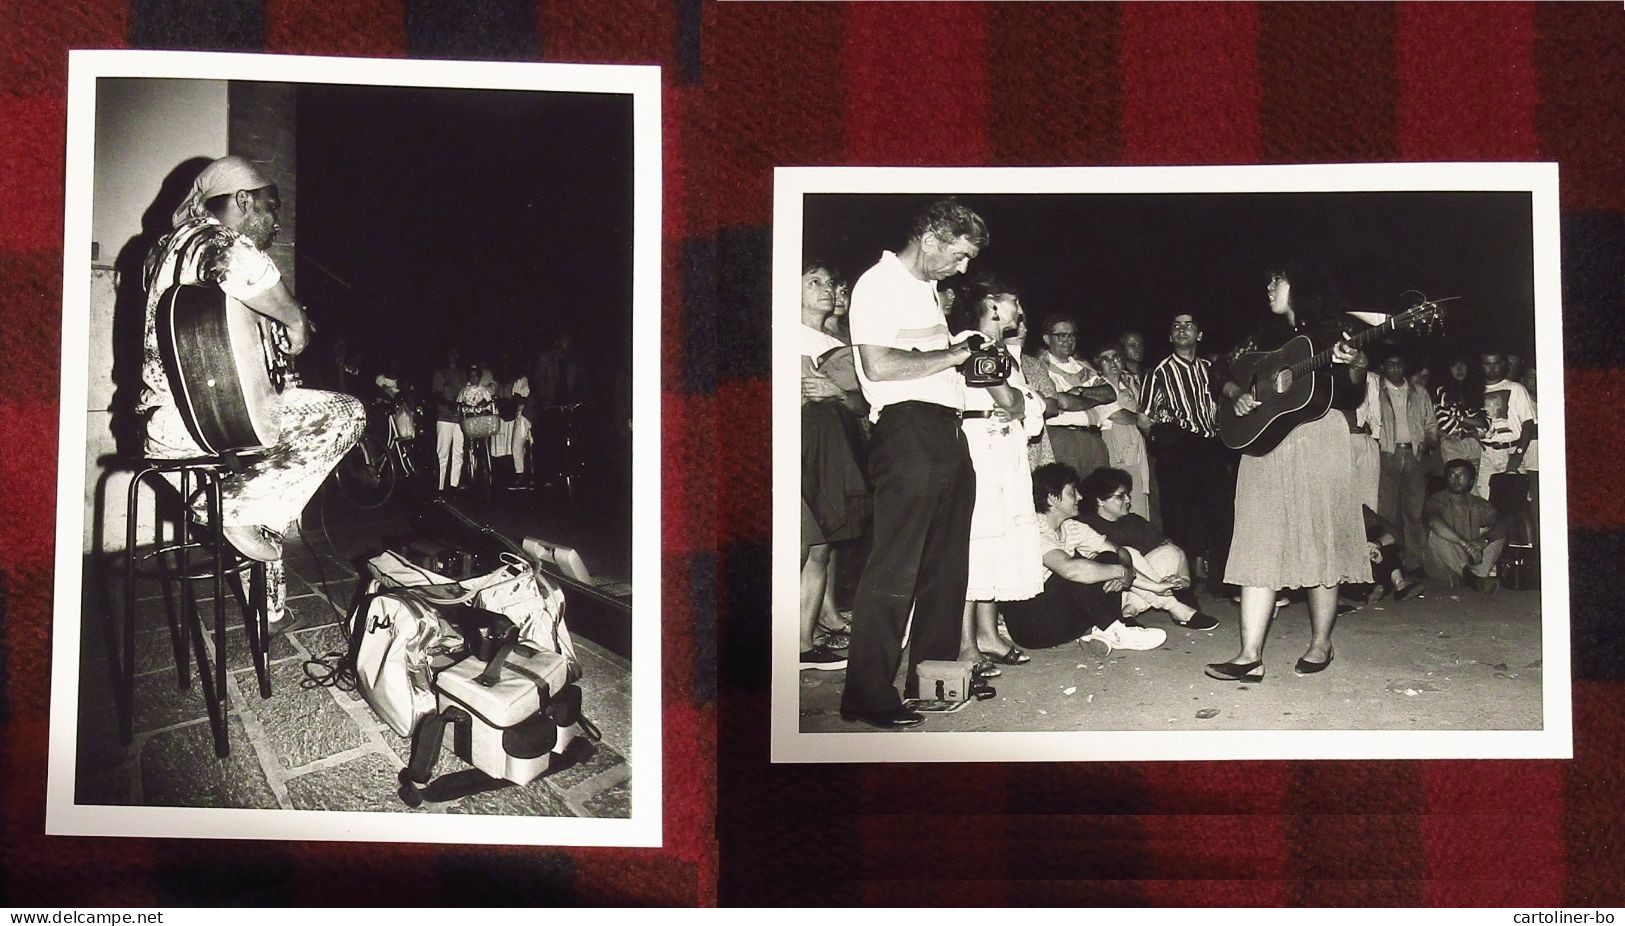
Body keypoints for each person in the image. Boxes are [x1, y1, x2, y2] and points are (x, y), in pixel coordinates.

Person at [139, 155, 364, 624]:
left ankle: (266, 604)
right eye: (271, 207)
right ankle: (229, 509)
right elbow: (247, 268)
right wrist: (295, 318)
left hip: (181, 419)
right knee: (345, 413)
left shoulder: (164, 249)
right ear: (243, 200)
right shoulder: (207, 239)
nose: (277, 220)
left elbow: (213, 340)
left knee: (269, 473)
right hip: (196, 426)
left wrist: (271, 354)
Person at [840, 199, 987, 729]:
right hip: (907, 431)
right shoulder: (879, 283)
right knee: (896, 565)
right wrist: (952, 356)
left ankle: (930, 677)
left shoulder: (924, 289)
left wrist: (958, 350)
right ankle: (866, 694)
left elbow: (924, 359)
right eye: (961, 255)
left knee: (946, 566)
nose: (963, 268)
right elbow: (878, 366)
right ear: (930, 238)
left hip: (946, 429)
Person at [1207, 269, 1371, 683]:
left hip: (1319, 441)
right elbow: (1220, 371)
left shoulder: (1338, 332)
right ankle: (1249, 655)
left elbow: (1352, 394)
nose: (1268, 288)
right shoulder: (1261, 333)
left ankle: (1321, 643)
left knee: (1319, 538)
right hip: (1265, 442)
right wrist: (1237, 395)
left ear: (1301, 285)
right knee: (1257, 538)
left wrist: (1358, 364)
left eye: (1276, 281)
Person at [945, 275, 1046, 678]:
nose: (1020, 311)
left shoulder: (999, 350)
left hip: (1003, 447)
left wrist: (1027, 403)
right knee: (976, 541)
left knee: (998, 541)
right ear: (991, 304)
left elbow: (1030, 406)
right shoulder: (973, 343)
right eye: (1013, 301)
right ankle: (965, 645)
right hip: (981, 447)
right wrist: (1027, 402)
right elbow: (1011, 399)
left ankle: (988, 633)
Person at [1001, 464, 1166, 655]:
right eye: (1073, 492)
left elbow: (1119, 550)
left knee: (1108, 558)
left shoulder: (1072, 527)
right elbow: (1070, 570)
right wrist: (1121, 572)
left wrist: (1126, 567)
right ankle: (1115, 631)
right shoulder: (1031, 529)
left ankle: (1100, 631)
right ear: (1053, 498)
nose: (1079, 497)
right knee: (1077, 571)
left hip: (1059, 622)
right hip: (1030, 628)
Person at [799, 260, 869, 670]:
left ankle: (804, 642)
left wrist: (835, 391)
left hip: (832, 446)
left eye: (830, 282)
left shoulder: (833, 340)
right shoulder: (785, 334)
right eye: (814, 282)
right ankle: (799, 643)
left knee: (822, 542)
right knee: (805, 543)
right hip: (801, 446)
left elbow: (860, 402)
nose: (826, 289)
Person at [1140, 313, 1234, 589]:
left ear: (1199, 335)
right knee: (1178, 520)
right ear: (1170, 337)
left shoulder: (1212, 369)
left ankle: (1226, 583)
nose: (1182, 330)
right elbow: (1143, 417)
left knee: (1220, 516)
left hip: (1210, 449)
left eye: (1188, 325)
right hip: (1178, 450)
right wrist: (1162, 446)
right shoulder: (1159, 371)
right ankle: (1182, 588)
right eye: (1176, 326)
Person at [1078, 467, 1218, 630]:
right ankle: (1173, 607)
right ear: (1100, 500)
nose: (1128, 500)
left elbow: (1175, 551)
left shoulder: (1134, 521)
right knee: (1127, 553)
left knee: (1170, 552)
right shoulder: (1085, 524)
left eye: (1128, 495)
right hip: (1108, 591)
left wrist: (1185, 580)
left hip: (1139, 591)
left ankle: (1128, 613)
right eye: (1120, 496)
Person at [1032, 315, 1116, 481]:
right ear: (1047, 338)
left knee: (1099, 498)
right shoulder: (1038, 366)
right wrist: (1092, 396)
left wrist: (1079, 391)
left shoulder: (1083, 366)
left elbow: (1109, 393)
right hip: (1063, 439)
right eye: (1061, 335)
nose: (1068, 340)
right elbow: (1062, 401)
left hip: (1093, 439)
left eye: (1071, 335)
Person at [1375, 350, 1437, 572]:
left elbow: (1431, 424)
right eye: (1389, 365)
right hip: (1387, 454)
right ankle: (1388, 564)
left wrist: (1426, 444)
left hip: (1413, 455)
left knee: (1414, 512)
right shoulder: (1376, 391)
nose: (1395, 369)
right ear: (1383, 367)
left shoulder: (1419, 392)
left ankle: (1414, 563)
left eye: (1398, 364)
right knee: (1386, 512)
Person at [1090, 342, 1153, 518]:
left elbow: (1148, 411)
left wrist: (1134, 389)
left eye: (1116, 358)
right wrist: (1140, 419)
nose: (1112, 363)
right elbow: (1119, 415)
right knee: (1116, 496)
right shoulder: (1096, 386)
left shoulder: (1129, 385)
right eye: (1105, 359)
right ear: (1098, 364)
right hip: (1113, 446)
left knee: (1137, 497)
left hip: (1136, 448)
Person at [1425, 459, 1509, 592]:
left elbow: (1502, 523)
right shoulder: (1437, 500)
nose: (1456, 479)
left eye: (1461, 475)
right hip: (1442, 564)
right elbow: (1433, 522)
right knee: (1437, 534)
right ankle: (1471, 579)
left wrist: (1483, 540)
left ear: (1471, 481)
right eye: (1452, 475)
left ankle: (1473, 577)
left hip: (1471, 558)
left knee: (1498, 534)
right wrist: (1464, 543)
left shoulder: (1477, 503)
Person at [1477, 350, 1537, 507]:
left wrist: (1518, 455)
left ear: (1503, 364)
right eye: (1487, 364)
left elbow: (1528, 424)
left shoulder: (1516, 388)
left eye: (1496, 363)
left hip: (1510, 452)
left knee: (1519, 508)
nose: (1492, 369)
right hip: (1485, 455)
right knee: (1486, 507)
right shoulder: (1475, 390)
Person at [1434, 355, 1486, 468]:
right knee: (1456, 480)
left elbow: (1484, 422)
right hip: (1452, 443)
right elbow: (1443, 423)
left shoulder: (1478, 390)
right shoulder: (1441, 392)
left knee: (1475, 481)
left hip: (1475, 442)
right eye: (1454, 366)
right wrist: (1469, 423)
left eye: (1462, 364)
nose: (1459, 369)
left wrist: (1460, 420)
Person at [490, 358, 533, 490]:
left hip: (526, 414)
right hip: (520, 414)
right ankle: (522, 477)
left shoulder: (524, 380)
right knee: (519, 447)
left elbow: (521, 399)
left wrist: (512, 400)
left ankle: (524, 477)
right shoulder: (516, 382)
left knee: (518, 446)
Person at [431, 347, 467, 493]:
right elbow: (435, 395)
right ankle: (440, 486)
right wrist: (448, 403)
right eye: (451, 353)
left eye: (456, 353)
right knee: (443, 452)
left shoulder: (463, 374)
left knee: (458, 451)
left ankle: (454, 484)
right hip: (445, 417)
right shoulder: (440, 373)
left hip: (459, 418)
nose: (453, 356)